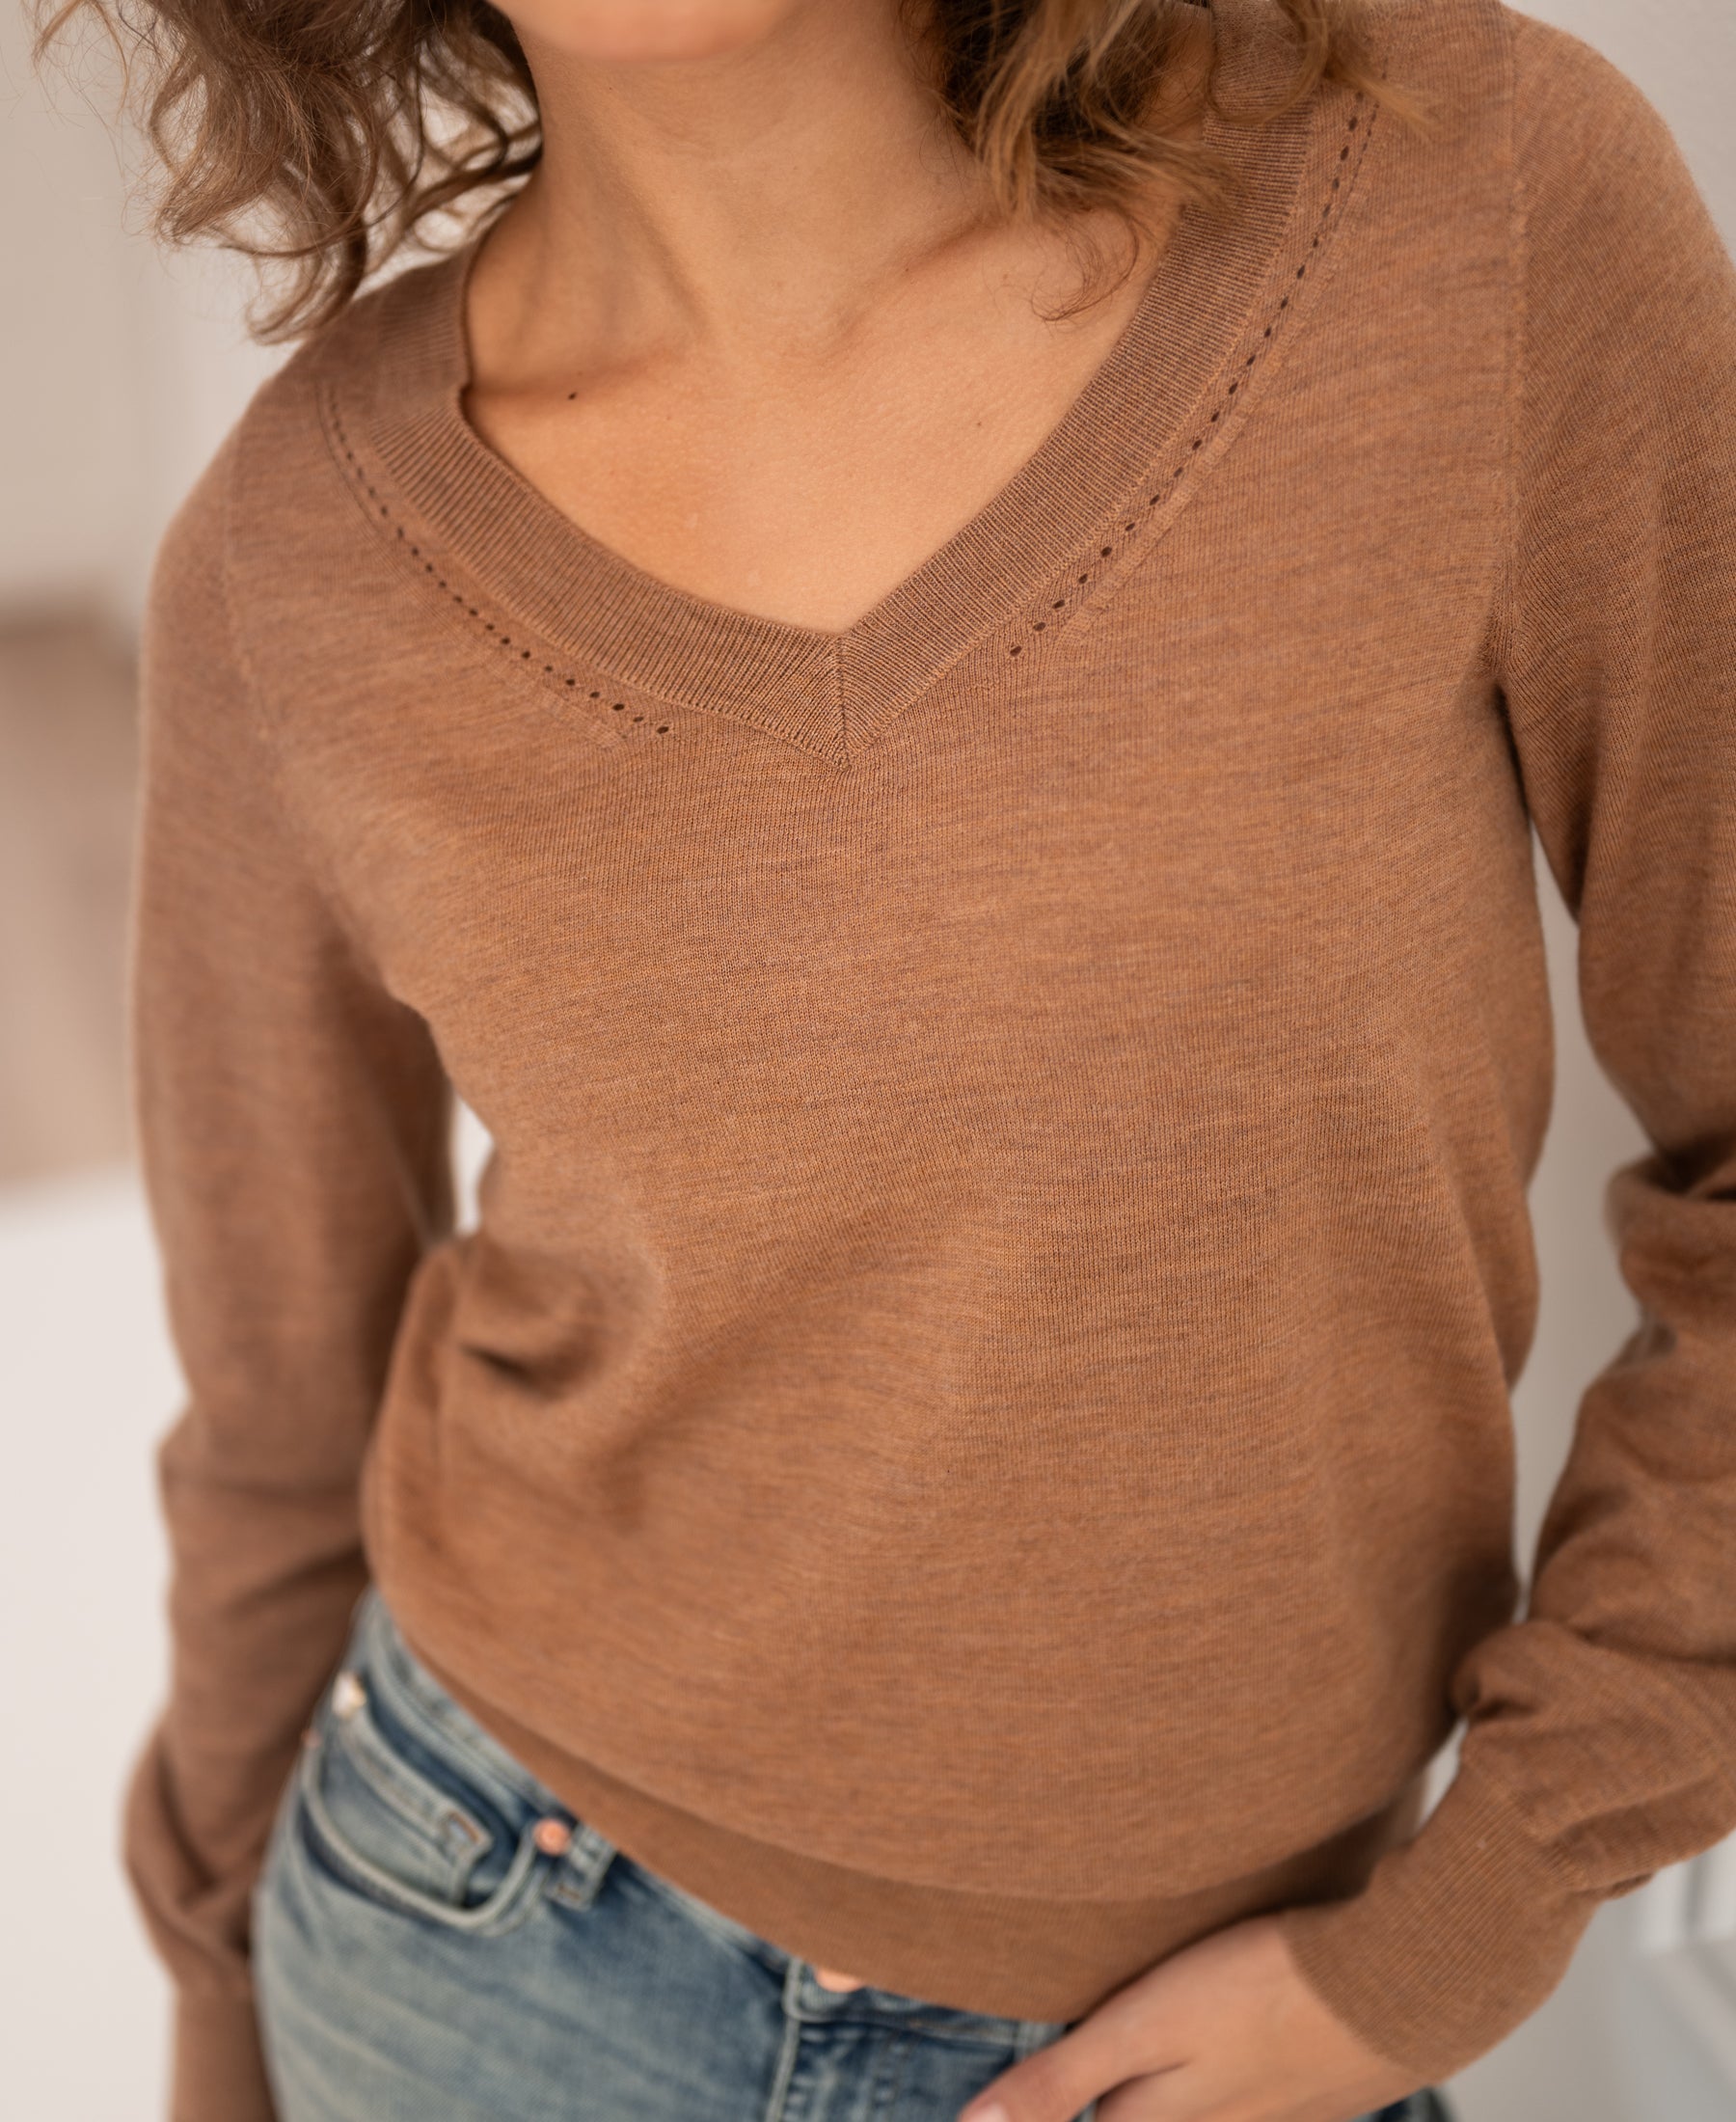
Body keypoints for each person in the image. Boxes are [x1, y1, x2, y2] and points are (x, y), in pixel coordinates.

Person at [34, 0, 1736, 2112]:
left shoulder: (1455, 196)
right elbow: (282, 1405)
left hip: (1236, 2020)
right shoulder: (293, 568)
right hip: (478, 1945)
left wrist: (1467, 1923)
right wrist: (223, 2027)